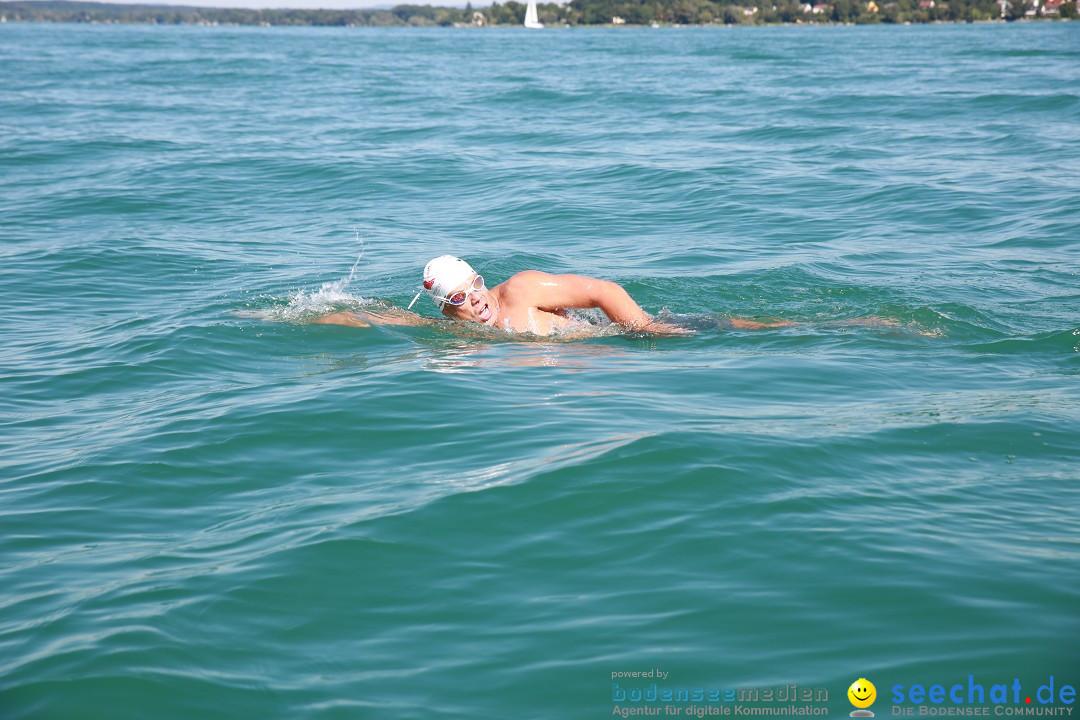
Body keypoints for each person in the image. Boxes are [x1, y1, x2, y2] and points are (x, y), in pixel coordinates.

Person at [315, 255, 783, 334]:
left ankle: (847, 327)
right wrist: (307, 317)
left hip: (631, 337)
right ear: (445, 310)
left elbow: (603, 291)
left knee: (733, 329)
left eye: (474, 286)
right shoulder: (458, 340)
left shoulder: (520, 290)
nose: (474, 299)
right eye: (458, 299)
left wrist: (642, 329)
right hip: (611, 363)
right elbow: (379, 318)